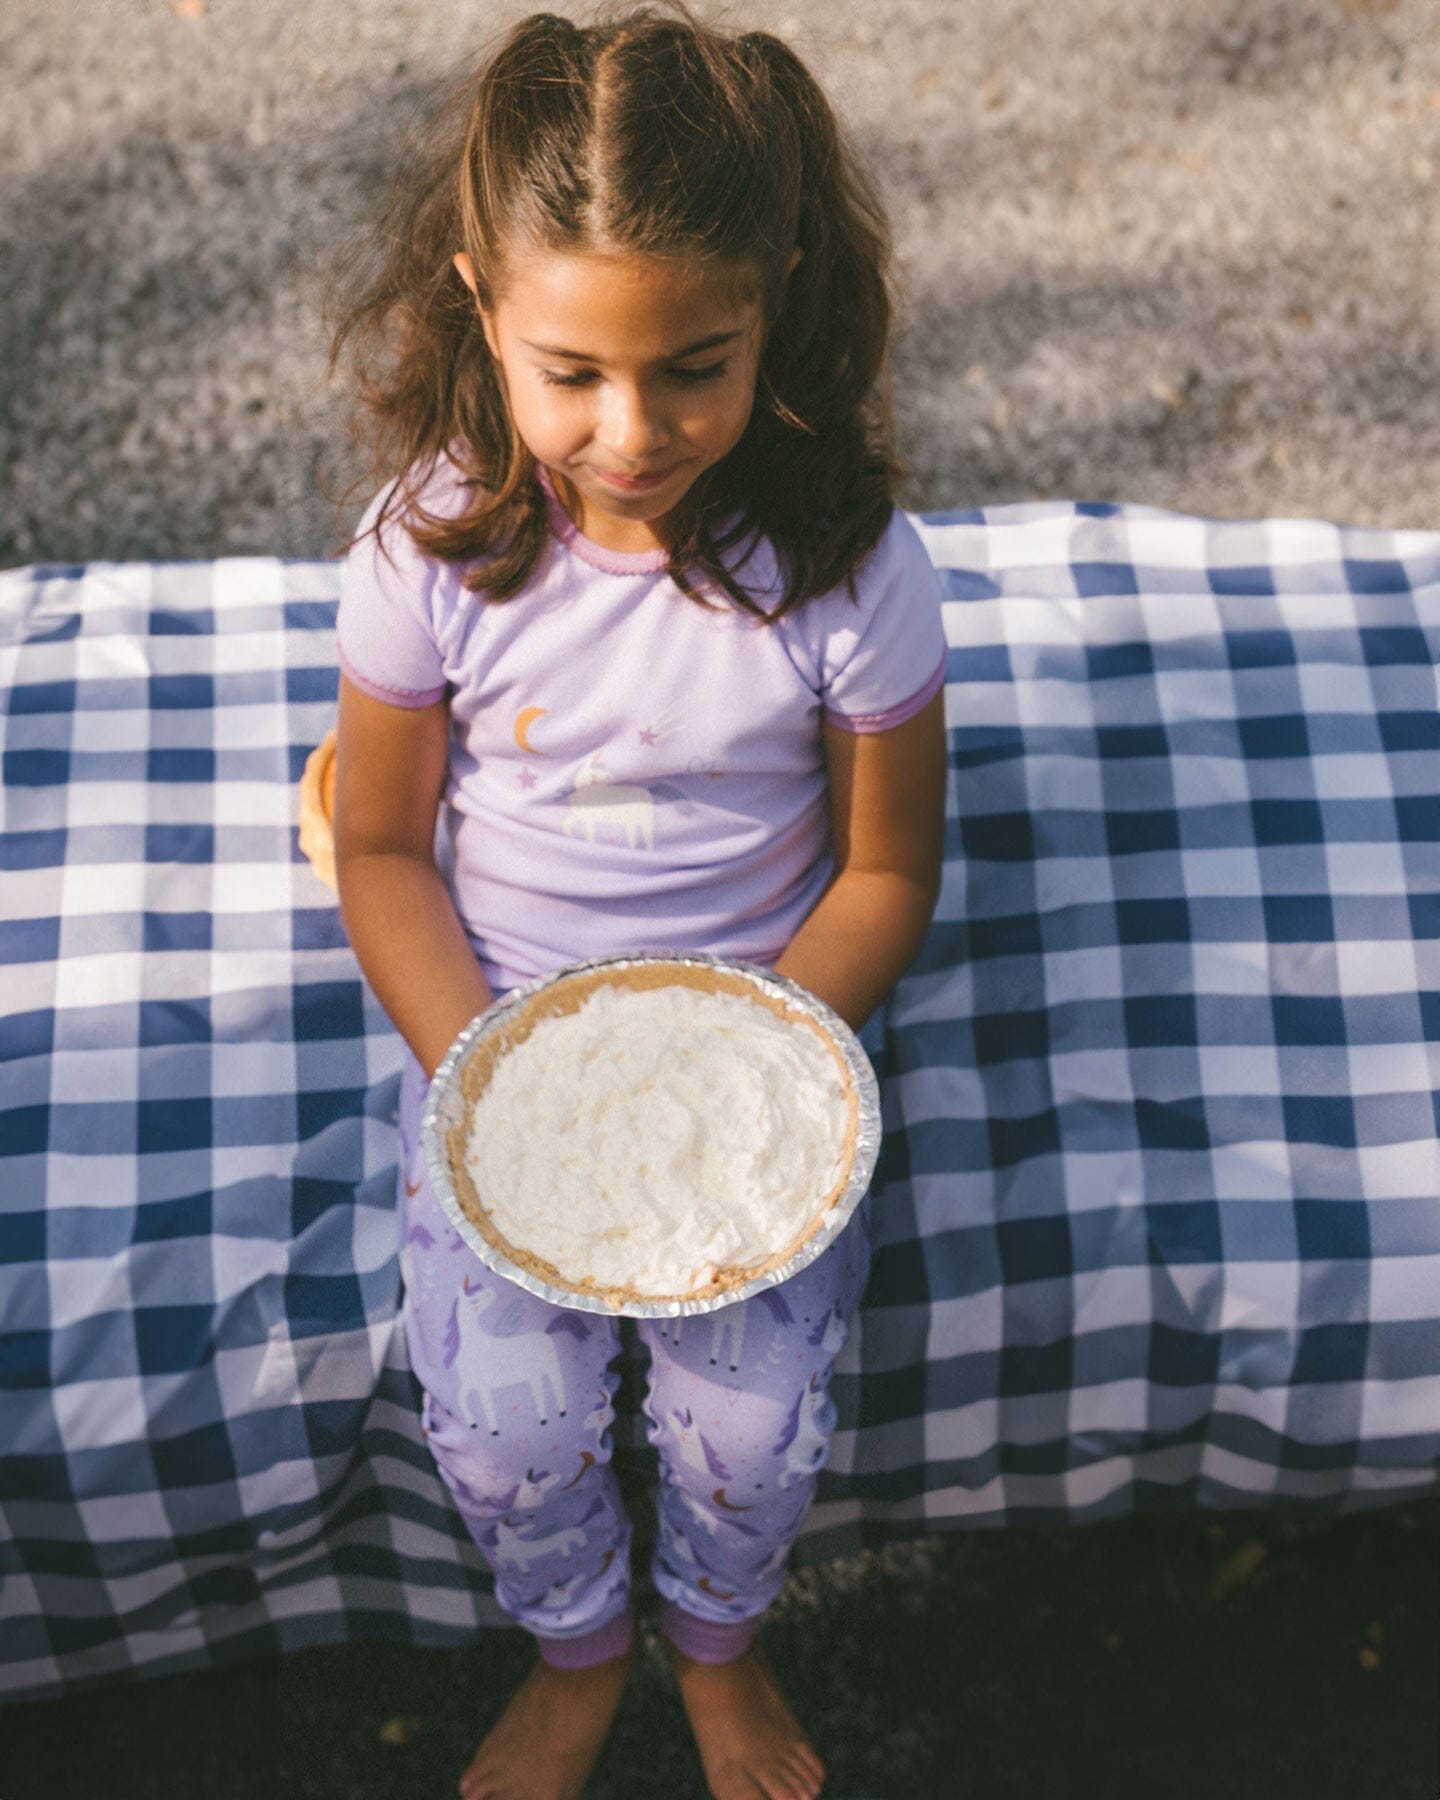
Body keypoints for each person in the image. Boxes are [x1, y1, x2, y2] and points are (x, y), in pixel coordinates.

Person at [323, 5, 947, 1796]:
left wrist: (760, 1054)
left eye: (697, 364)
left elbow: (889, 858)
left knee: (748, 1420)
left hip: (757, 1050)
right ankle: (579, 1652)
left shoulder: (844, 564)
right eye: (572, 369)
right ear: (477, 303)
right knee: (507, 1428)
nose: (633, 429)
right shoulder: (431, 546)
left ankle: (715, 1644)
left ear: (782, 298)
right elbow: (382, 848)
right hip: (501, 1041)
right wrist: (502, 1085)